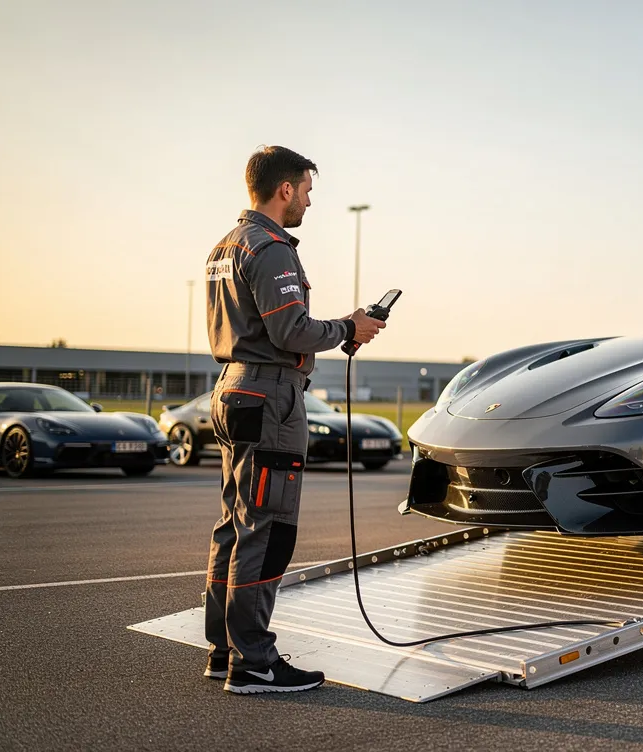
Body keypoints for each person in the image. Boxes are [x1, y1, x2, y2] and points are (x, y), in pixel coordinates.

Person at [202, 145, 385, 694]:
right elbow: (291, 331)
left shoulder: (224, 246)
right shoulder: (271, 246)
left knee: (234, 525)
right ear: (284, 189)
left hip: (232, 389)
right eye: (306, 189)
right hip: (270, 396)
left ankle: (223, 648)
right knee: (268, 527)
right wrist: (349, 328)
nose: (308, 199)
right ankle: (254, 661)